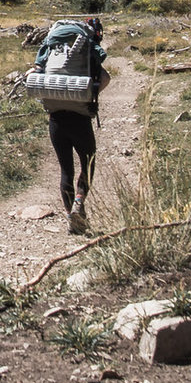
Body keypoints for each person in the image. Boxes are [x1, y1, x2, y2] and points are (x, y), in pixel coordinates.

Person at [40, 17, 110, 234]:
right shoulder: (86, 49)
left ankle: (72, 219)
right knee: (88, 164)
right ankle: (80, 201)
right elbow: (105, 78)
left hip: (56, 120)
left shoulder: (53, 48)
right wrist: (90, 95)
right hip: (80, 119)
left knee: (66, 171)